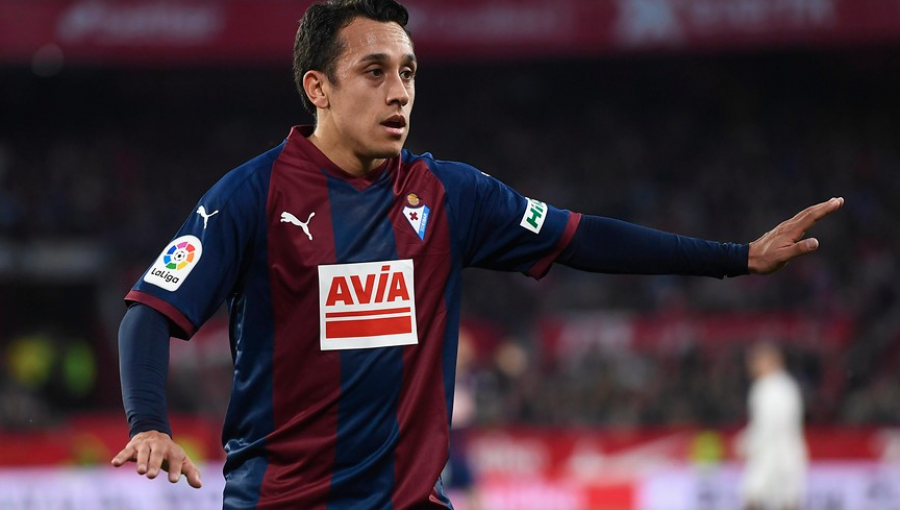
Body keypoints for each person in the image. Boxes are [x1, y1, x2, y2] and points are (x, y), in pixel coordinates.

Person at [110, 0, 843, 508]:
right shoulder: (251, 197)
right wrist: (148, 422)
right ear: (319, 88)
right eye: (374, 72)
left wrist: (737, 257)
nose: (399, 92)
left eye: (409, 72)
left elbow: (584, 237)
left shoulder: (450, 196)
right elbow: (149, 313)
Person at [737, 342, 809, 510]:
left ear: (770, 361)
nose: (752, 367)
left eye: (756, 361)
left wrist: (745, 444)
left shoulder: (764, 387)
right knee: (788, 500)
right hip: (790, 453)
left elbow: (765, 427)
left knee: (753, 498)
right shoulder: (790, 386)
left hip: (768, 454)